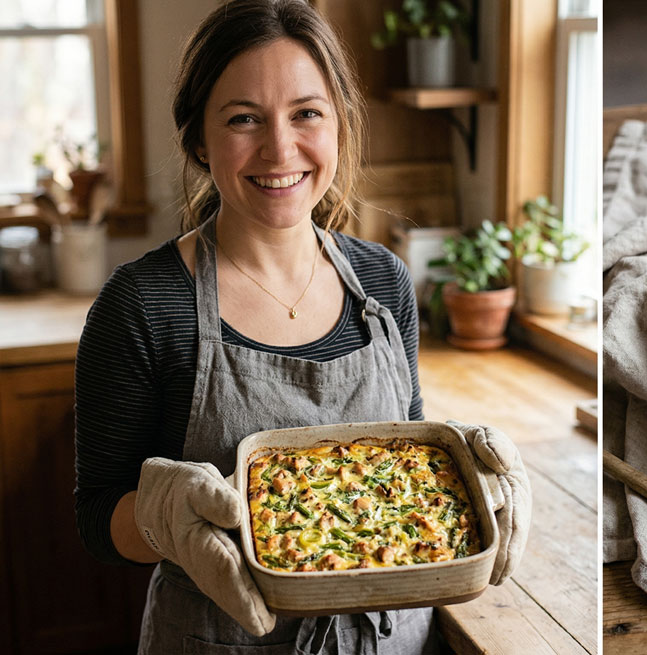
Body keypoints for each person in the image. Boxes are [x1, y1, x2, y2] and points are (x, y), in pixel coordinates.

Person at [72, 1, 530, 652]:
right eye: (243, 119)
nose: (280, 148)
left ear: (340, 122)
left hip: (392, 636)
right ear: (200, 140)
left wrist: (473, 485)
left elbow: (406, 451)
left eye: (306, 113)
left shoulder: (385, 281)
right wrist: (160, 514)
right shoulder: (142, 304)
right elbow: (98, 516)